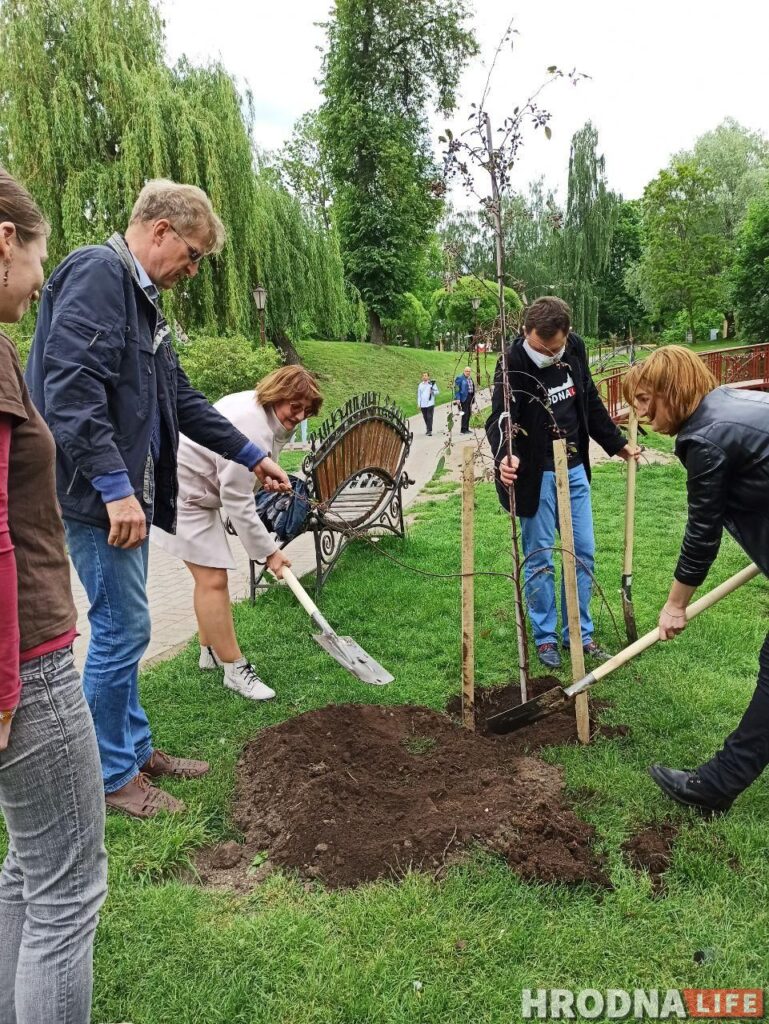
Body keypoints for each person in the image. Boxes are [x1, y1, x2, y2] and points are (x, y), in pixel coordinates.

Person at [25, 179, 290, 819]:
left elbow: (184, 401)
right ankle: (108, 775)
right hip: (96, 498)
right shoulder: (98, 274)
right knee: (121, 630)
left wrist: (253, 454)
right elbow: (71, 391)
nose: (194, 270)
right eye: (193, 254)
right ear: (162, 229)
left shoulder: (143, 304)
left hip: (125, 501)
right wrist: (116, 489)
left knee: (129, 626)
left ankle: (134, 750)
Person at [0, 169, 107, 1024]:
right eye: (38, 256)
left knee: (25, 866)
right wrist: (6, 684)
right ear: (7, 241)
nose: (40, 284)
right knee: (68, 889)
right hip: (24, 661)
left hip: (18, 659)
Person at [622, 346, 769, 814]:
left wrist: (674, 604)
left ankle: (716, 786)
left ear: (672, 391)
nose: (640, 414)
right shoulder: (728, 402)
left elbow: (701, 534)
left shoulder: (704, 438)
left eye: (645, 400)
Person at [151, 365, 323, 699]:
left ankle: (209, 652)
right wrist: (270, 553)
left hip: (194, 491)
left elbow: (243, 476)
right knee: (213, 580)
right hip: (182, 495)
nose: (300, 415)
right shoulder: (253, 425)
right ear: (279, 394)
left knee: (208, 579)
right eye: (295, 406)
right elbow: (236, 498)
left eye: (307, 410)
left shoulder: (259, 409)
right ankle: (235, 669)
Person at [486, 296, 638, 669]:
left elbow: (588, 400)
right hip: (535, 474)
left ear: (567, 337)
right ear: (525, 332)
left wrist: (617, 445)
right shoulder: (512, 362)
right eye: (540, 347)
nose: (548, 356)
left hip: (573, 470)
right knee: (539, 557)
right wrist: (505, 454)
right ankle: (545, 638)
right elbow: (501, 417)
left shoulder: (575, 349)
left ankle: (579, 634)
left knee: (583, 551)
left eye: (554, 350)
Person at [417, 371, 439, 435]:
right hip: (423, 404)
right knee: (425, 417)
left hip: (430, 403)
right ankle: (428, 428)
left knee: (429, 417)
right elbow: (419, 395)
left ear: (428, 377)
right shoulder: (420, 385)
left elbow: (437, 392)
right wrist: (419, 404)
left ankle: (429, 431)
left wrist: (432, 392)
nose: (424, 377)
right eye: (423, 376)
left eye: (426, 375)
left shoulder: (432, 384)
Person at [454, 365, 475, 433]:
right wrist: (457, 398)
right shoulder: (460, 378)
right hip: (464, 397)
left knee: (468, 413)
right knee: (465, 413)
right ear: (464, 371)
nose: (468, 372)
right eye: (466, 371)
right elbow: (457, 389)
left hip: (470, 397)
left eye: (469, 371)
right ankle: (463, 429)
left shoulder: (470, 378)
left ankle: (467, 428)